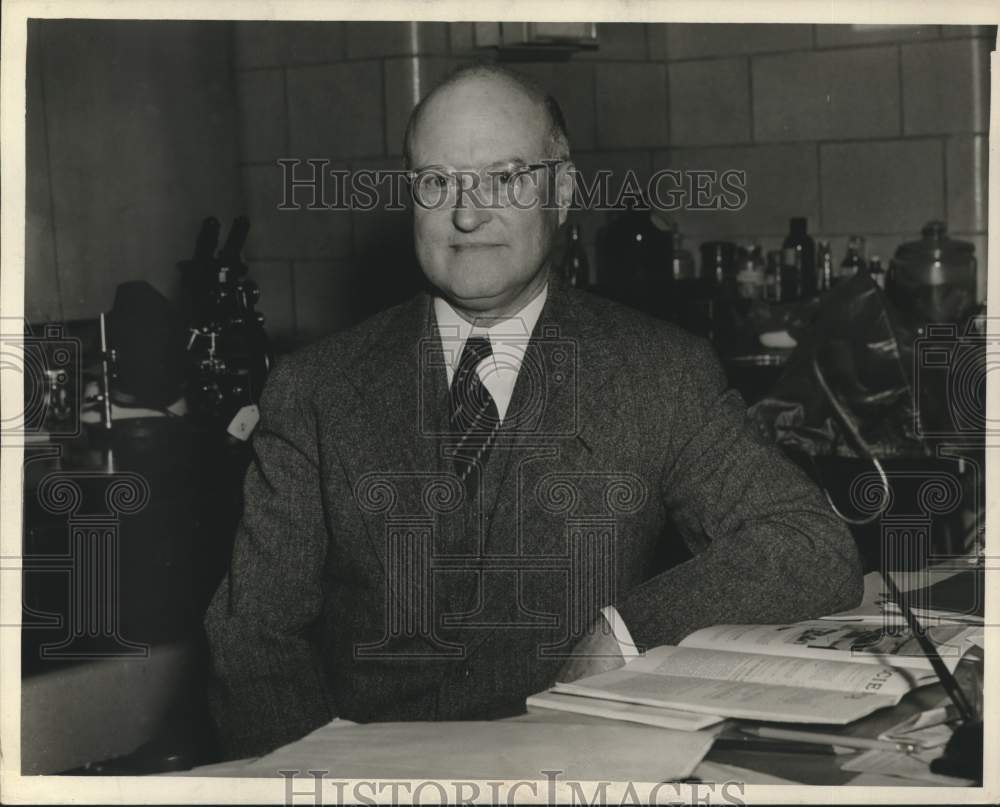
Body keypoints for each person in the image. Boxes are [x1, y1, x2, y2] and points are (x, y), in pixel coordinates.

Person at [204, 64, 864, 759]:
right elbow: (252, 636)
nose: (466, 212)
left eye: (505, 177)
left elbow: (809, 544)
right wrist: (309, 777)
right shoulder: (316, 388)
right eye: (438, 181)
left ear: (563, 190)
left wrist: (628, 628)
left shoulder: (656, 372)